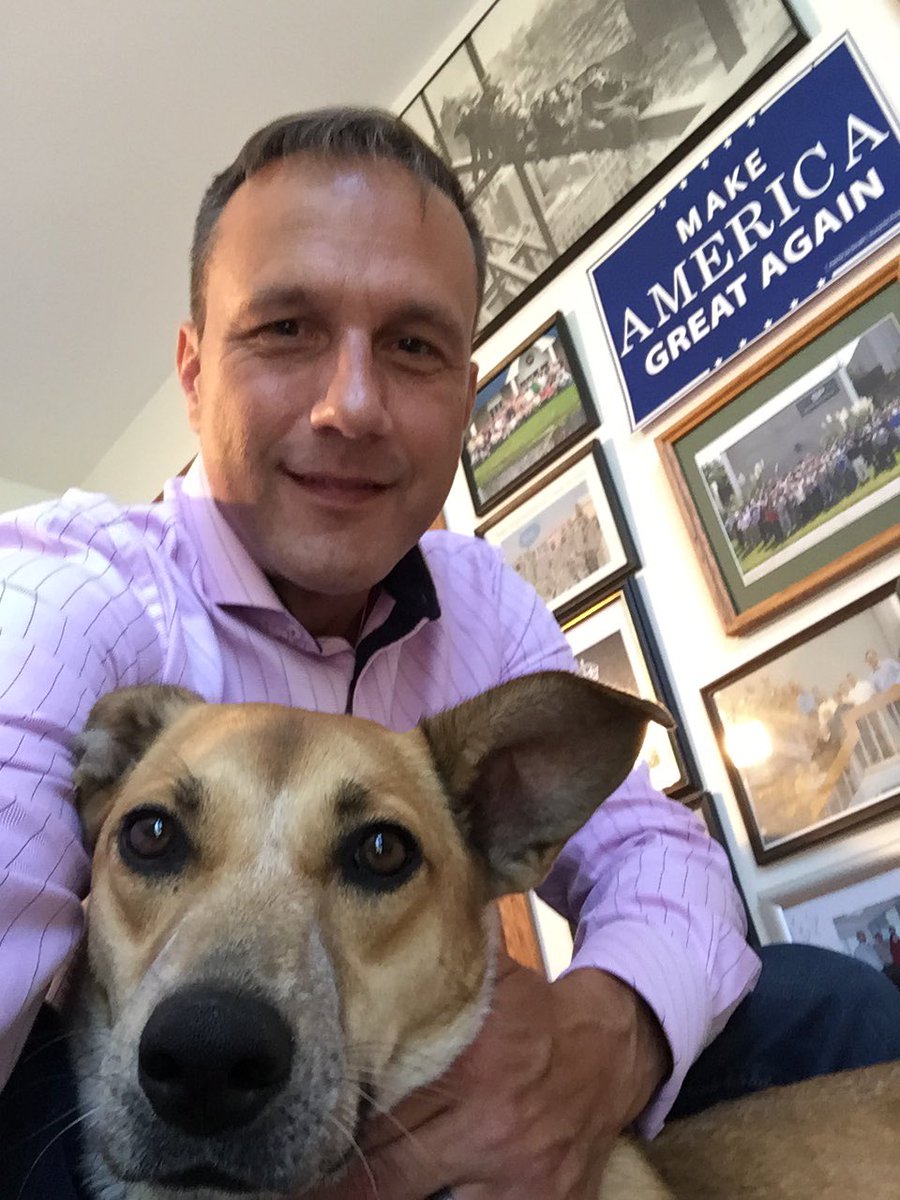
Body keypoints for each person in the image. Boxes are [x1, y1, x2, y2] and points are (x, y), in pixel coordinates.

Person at [1, 108, 900, 1200]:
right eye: (285, 328)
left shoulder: (478, 600)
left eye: (413, 346)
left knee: (820, 1001)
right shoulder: (66, 598)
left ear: (466, 402)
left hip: (407, 1089)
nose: (350, 405)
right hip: (128, 1101)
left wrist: (592, 1048)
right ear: (193, 374)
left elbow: (657, 855)